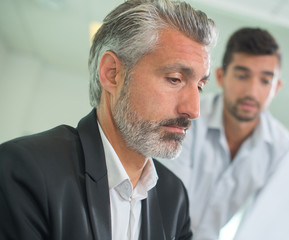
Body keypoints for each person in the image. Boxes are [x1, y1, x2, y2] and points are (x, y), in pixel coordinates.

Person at [0, 0, 217, 239]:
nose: (194, 110)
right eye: (175, 79)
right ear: (112, 74)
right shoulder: (25, 169)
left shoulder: (174, 199)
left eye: (200, 86)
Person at [161, 27, 289, 239]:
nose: (252, 91)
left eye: (265, 81)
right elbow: (167, 204)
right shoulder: (188, 118)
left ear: (276, 87)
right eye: (242, 76)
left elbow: (266, 223)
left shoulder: (281, 148)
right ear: (221, 77)